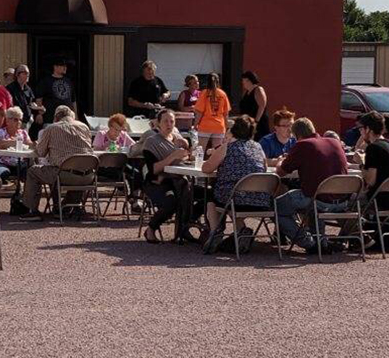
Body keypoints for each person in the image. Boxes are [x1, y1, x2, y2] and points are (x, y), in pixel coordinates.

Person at [275, 117, 350, 254]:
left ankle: (308, 242)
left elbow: (281, 172)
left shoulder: (303, 145)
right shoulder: (335, 142)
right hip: (342, 200)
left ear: (297, 135)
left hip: (316, 198)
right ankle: (320, 240)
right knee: (308, 201)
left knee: (276, 206)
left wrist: (280, 161)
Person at [200, 116, 271, 253]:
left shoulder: (227, 148)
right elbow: (265, 168)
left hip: (234, 198)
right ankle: (241, 232)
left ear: (233, 131)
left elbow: (206, 169)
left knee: (212, 195)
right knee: (233, 197)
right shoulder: (258, 147)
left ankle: (215, 231)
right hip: (260, 199)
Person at [20, 105, 94, 221]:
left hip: (63, 175)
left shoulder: (51, 128)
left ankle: (32, 210)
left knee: (33, 171)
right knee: (75, 172)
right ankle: (64, 207)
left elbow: (40, 152)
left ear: (56, 118)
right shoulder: (84, 127)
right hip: (88, 176)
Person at [137, 109, 197, 243]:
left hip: (179, 180)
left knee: (203, 197)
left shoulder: (179, 139)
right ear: (158, 123)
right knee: (172, 201)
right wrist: (173, 156)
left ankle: (185, 228)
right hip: (158, 182)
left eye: (172, 121)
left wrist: (190, 154)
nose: (169, 124)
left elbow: (186, 161)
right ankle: (151, 229)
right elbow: (154, 169)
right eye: (165, 121)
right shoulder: (152, 141)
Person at [0, 107, 32, 183]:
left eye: (20, 120)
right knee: (0, 173)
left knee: (31, 173)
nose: (19, 122)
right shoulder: (0, 132)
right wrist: (17, 142)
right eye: (16, 119)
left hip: (18, 163)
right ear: (7, 120)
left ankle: (24, 193)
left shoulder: (23, 133)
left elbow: (30, 145)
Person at [192, 72, 229, 149]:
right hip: (219, 126)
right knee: (216, 152)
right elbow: (226, 113)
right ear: (218, 81)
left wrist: (195, 125)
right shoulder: (223, 94)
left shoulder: (204, 93)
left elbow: (199, 112)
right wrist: (226, 126)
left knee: (200, 150)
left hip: (205, 126)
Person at [36, 59, 76, 126]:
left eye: (65, 66)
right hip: (50, 119)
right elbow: (39, 99)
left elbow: (73, 101)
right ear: (55, 67)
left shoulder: (68, 81)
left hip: (68, 120)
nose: (65, 68)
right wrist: (39, 114)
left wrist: (75, 116)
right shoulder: (46, 81)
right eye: (62, 66)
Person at [7, 64, 42, 132]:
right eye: (25, 73)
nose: (28, 75)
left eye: (28, 73)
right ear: (17, 74)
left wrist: (39, 109)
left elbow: (31, 103)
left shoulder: (28, 89)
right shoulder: (10, 88)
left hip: (27, 122)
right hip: (15, 121)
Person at [238, 71, 269, 140]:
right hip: (248, 124)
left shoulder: (258, 89)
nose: (242, 83)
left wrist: (256, 122)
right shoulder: (247, 92)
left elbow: (262, 106)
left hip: (258, 124)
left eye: (243, 80)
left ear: (248, 80)